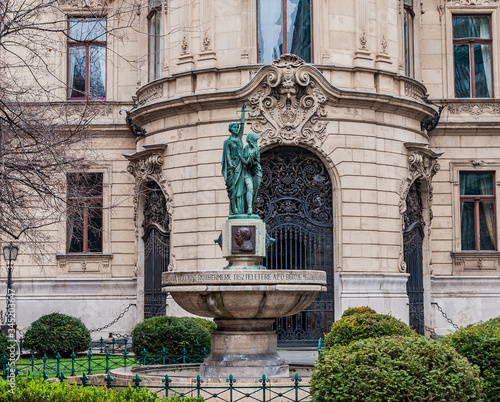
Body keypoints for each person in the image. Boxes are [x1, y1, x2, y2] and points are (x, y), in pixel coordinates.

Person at [221, 105, 246, 215]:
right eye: (234, 127)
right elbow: (226, 155)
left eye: (237, 127)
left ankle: (241, 209)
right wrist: (231, 165)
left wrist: (243, 112)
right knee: (233, 189)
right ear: (230, 129)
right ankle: (234, 209)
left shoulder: (239, 138)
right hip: (233, 166)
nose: (236, 129)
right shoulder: (228, 141)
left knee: (242, 187)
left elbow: (243, 125)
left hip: (241, 165)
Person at [239, 132, 262, 215]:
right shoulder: (246, 148)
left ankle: (249, 206)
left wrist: (240, 156)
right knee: (250, 187)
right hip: (247, 171)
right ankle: (249, 209)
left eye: (248, 137)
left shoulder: (255, 150)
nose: (247, 137)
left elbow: (246, 162)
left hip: (256, 172)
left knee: (254, 192)